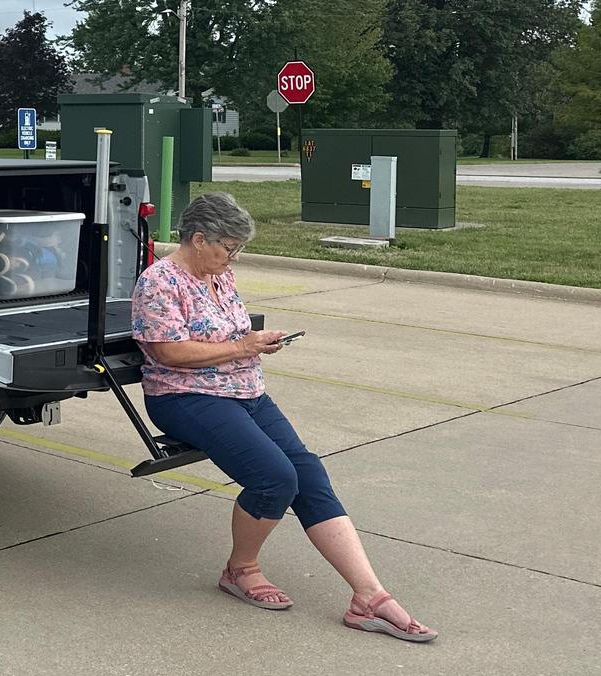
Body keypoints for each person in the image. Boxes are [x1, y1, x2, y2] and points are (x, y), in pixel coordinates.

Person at [131, 192, 436, 643]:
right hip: (185, 396)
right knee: (275, 478)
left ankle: (369, 596)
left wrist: (255, 339)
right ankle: (241, 570)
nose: (233, 257)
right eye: (228, 247)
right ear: (198, 239)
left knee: (308, 473)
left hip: (245, 390)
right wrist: (242, 347)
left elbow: (227, 332)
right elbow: (166, 351)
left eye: (237, 249)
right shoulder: (159, 282)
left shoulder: (221, 274)